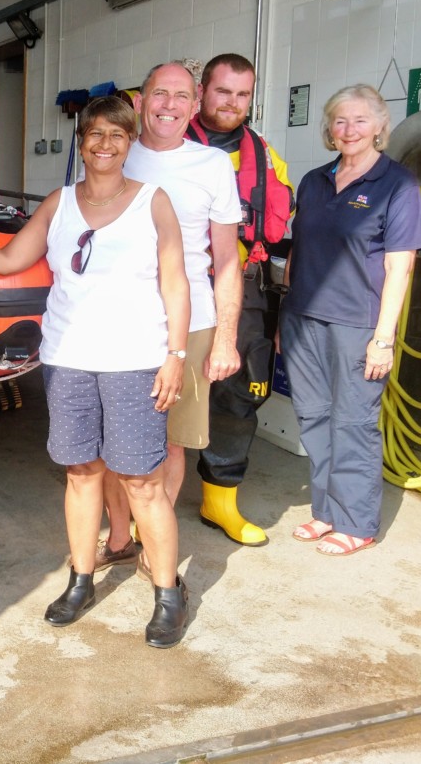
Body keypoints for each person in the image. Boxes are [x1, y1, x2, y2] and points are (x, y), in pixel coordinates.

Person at [0, 96, 192, 648]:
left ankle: (167, 594)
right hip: (67, 359)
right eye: (96, 134)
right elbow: (11, 259)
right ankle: (81, 579)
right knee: (81, 473)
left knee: (141, 481)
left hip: (135, 360)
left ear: (130, 142)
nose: (106, 144)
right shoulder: (59, 203)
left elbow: (175, 283)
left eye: (117, 135)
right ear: (82, 141)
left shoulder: (153, 203)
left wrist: (175, 355)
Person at [97, 62, 244, 576]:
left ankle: (151, 542)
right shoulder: (115, 152)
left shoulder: (212, 166)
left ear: (196, 101)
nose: (170, 105)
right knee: (115, 444)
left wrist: (226, 337)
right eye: (160, 94)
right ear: (141, 101)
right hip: (121, 322)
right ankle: (119, 539)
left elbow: (227, 258)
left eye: (182, 95)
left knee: (172, 443)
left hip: (194, 321)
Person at [282, 85, 421, 556]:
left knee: (353, 421)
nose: (349, 130)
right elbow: (298, 252)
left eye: (360, 121)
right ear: (329, 127)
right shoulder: (314, 180)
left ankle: (357, 521)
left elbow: (399, 266)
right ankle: (326, 511)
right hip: (303, 318)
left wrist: (384, 338)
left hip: (358, 324)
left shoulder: (397, 184)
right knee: (314, 417)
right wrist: (285, 319)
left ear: (381, 126)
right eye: (340, 121)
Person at [182, 53, 294, 547]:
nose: (232, 102)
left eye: (242, 94)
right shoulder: (168, 145)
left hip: (244, 282)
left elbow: (280, 218)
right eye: (222, 91)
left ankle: (219, 502)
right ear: (202, 91)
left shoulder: (265, 154)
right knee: (158, 388)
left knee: (239, 392)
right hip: (175, 282)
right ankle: (145, 504)